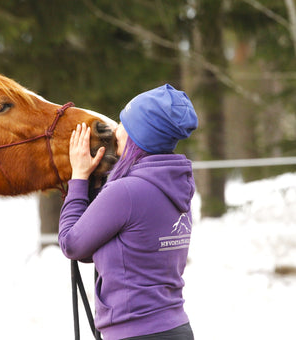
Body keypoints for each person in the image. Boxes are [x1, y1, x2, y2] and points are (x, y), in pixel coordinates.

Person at [58, 84, 197, 340]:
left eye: (123, 123)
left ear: (140, 135)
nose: (116, 130)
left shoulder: (126, 192)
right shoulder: (178, 184)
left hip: (135, 334)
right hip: (177, 329)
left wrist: (78, 177)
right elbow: (111, 249)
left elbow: (72, 245)